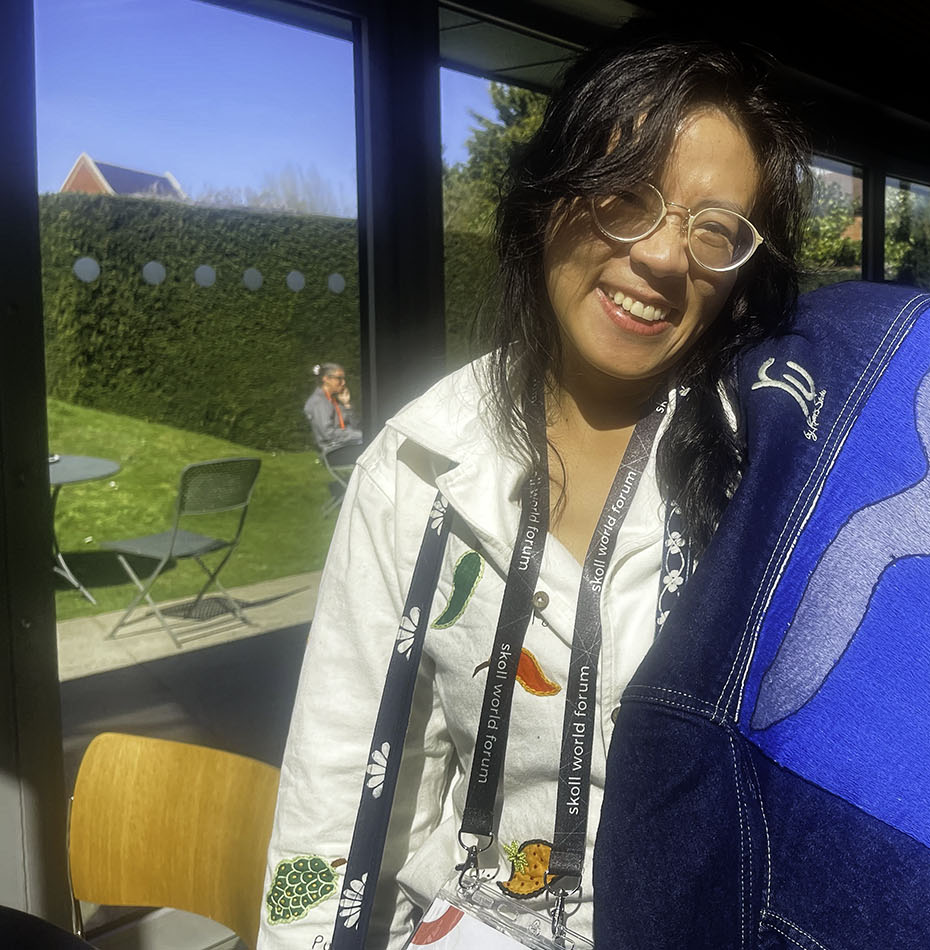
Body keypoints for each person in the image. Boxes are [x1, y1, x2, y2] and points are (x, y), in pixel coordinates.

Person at [260, 25, 806, 950]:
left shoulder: (776, 470)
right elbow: (337, 786)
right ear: (546, 198)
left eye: (714, 229)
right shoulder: (418, 465)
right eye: (625, 194)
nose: (663, 256)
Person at [304, 362, 363, 452]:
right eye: (339, 378)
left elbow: (355, 426)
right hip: (334, 451)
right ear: (326, 379)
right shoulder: (319, 402)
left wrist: (347, 405)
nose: (343, 382)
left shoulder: (334, 400)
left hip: (346, 445)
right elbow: (328, 434)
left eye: (344, 378)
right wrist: (359, 435)